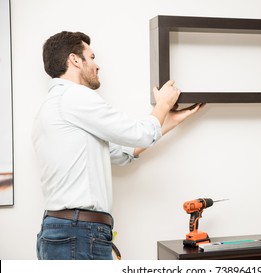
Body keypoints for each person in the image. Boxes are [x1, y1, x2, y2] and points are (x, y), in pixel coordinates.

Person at [32, 31, 203, 260]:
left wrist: (168, 122)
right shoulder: (75, 97)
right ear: (75, 60)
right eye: (91, 57)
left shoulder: (53, 108)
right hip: (78, 234)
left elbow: (123, 154)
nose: (97, 65)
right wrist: (162, 104)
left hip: (61, 231)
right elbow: (141, 135)